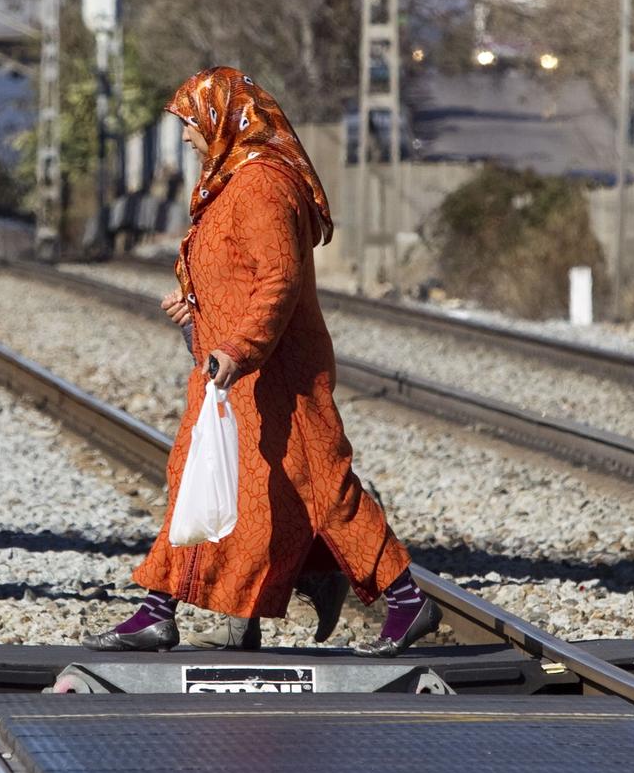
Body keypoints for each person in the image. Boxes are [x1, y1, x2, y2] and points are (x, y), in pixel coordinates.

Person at [84, 65, 440, 656]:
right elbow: (237, 270)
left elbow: (278, 280)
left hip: (276, 371)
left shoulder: (261, 185)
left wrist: (237, 347)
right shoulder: (230, 181)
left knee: (322, 486)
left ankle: (405, 599)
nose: (187, 139)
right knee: (202, 481)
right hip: (231, 373)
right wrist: (195, 305)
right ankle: (172, 608)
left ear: (224, 119)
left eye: (192, 125)